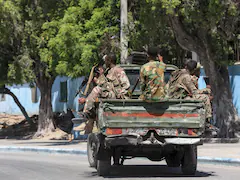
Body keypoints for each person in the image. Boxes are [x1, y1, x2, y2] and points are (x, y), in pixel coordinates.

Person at [78, 53, 130, 133]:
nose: (105, 63)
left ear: (109, 61)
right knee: (96, 94)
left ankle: (86, 111)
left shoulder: (118, 70)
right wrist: (97, 79)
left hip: (118, 96)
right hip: (110, 94)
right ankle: (88, 115)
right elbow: (104, 85)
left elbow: (126, 86)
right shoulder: (108, 72)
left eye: (106, 61)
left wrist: (119, 94)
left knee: (97, 89)